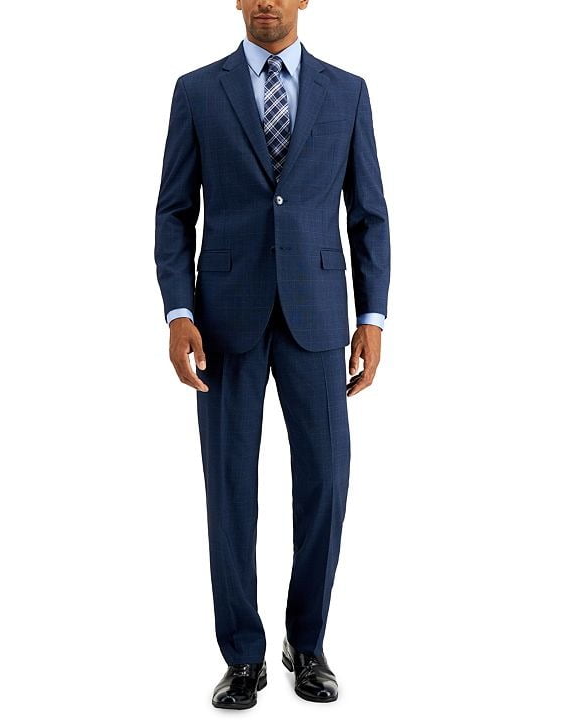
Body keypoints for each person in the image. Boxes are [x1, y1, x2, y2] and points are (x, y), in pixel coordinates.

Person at [154, 0, 390, 709]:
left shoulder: (347, 92)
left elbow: (368, 214)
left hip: (318, 316)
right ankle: (242, 655)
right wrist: (178, 311)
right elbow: (174, 212)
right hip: (223, 319)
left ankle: (306, 643)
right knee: (229, 489)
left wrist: (372, 316)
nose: (266, 1)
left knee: (326, 483)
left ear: (303, 0)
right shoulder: (198, 90)